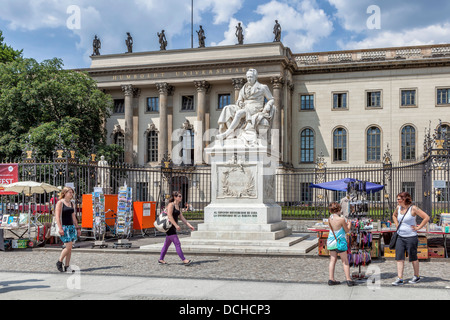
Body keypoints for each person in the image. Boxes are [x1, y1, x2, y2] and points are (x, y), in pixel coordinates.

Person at [216, 68, 275, 144]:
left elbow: (271, 99)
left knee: (239, 113)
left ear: (255, 77)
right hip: (244, 106)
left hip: (255, 107)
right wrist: (240, 102)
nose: (249, 79)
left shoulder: (262, 87)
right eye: (248, 77)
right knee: (227, 108)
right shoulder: (243, 88)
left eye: (251, 77)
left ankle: (227, 133)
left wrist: (268, 106)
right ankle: (232, 133)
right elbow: (239, 100)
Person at [391, 192, 430, 286]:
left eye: (399, 199)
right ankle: (400, 278)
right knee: (399, 258)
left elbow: (426, 217)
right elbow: (394, 216)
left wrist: (418, 227)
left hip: (411, 237)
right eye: (397, 199)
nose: (397, 201)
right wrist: (397, 225)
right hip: (400, 236)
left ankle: (416, 276)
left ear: (404, 199)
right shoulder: (398, 208)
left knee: (413, 257)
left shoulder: (413, 208)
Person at [159, 191, 195, 266]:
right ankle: (184, 260)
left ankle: (161, 259)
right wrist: (176, 225)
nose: (181, 197)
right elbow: (169, 216)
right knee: (177, 243)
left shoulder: (178, 206)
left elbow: (182, 217)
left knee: (166, 245)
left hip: (173, 227)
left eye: (181, 196)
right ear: (175, 197)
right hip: (170, 227)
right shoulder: (170, 205)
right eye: (179, 196)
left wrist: (189, 225)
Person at [326, 202, 355, 286]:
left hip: (331, 242)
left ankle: (331, 279)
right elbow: (347, 230)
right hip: (340, 242)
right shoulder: (341, 219)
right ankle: (348, 279)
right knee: (345, 261)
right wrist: (349, 224)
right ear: (339, 209)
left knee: (332, 261)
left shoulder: (329, 219)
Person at [55, 186, 80, 272]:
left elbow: (73, 217)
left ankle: (67, 266)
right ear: (65, 193)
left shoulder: (72, 203)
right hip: (64, 227)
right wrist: (60, 228)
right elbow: (57, 216)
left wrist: (77, 227)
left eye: (72, 192)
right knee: (68, 247)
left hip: (71, 227)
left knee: (70, 248)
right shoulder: (60, 203)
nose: (71, 194)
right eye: (70, 192)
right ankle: (59, 261)